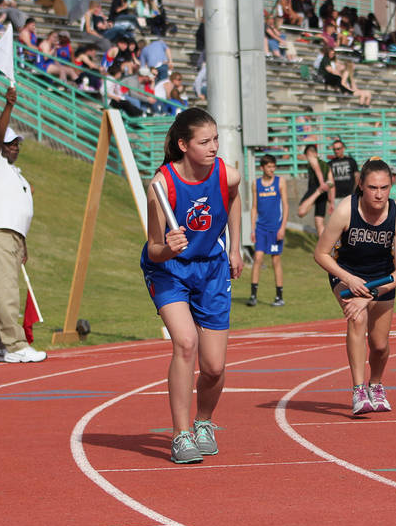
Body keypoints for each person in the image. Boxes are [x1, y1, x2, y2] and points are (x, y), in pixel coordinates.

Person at [141, 108, 243, 463]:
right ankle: (180, 434)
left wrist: (235, 244)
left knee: (214, 366)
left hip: (212, 269)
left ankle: (203, 422)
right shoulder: (161, 185)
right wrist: (168, 246)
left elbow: (232, 197)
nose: (214, 147)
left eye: (216, 139)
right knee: (186, 343)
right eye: (205, 141)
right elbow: (154, 249)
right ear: (183, 145)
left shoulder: (226, 174)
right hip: (169, 270)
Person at [313, 158, 396, 415]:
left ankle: (376, 385)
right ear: (361, 186)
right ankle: (358, 390)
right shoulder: (347, 210)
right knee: (357, 317)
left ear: (391, 186)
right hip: (347, 273)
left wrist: (370, 294)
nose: (378, 194)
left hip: (382, 279)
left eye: (384, 188)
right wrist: (349, 279)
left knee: (379, 344)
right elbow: (321, 254)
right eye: (372, 188)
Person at [0, 88, 46, 364]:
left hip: (11, 236)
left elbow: (19, 212)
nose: (14, 147)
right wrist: (8, 107)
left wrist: (23, 243)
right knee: (6, 291)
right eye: (10, 142)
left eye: (17, 144)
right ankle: (15, 345)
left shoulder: (15, 174)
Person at [246, 154, 288, 308]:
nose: (272, 169)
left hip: (275, 229)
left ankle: (279, 296)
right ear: (262, 168)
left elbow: (285, 205)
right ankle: (253, 295)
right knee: (257, 258)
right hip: (261, 229)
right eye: (269, 166)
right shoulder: (256, 184)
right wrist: (252, 229)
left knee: (275, 260)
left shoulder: (280, 182)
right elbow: (254, 207)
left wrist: (282, 227)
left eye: (273, 166)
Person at [296, 143, 331, 236]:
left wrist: (321, 185)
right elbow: (332, 182)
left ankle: (324, 248)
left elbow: (317, 168)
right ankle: (324, 248)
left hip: (316, 188)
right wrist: (331, 200)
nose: (307, 158)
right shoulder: (326, 165)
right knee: (319, 222)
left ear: (309, 153)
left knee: (301, 212)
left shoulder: (312, 158)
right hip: (325, 192)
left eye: (306, 155)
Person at [328, 139, 359, 210]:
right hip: (336, 197)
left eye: (338, 149)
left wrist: (355, 193)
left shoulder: (351, 161)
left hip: (350, 196)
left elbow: (357, 178)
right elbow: (329, 181)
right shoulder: (330, 164)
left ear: (343, 149)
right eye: (334, 149)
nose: (336, 151)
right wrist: (330, 195)